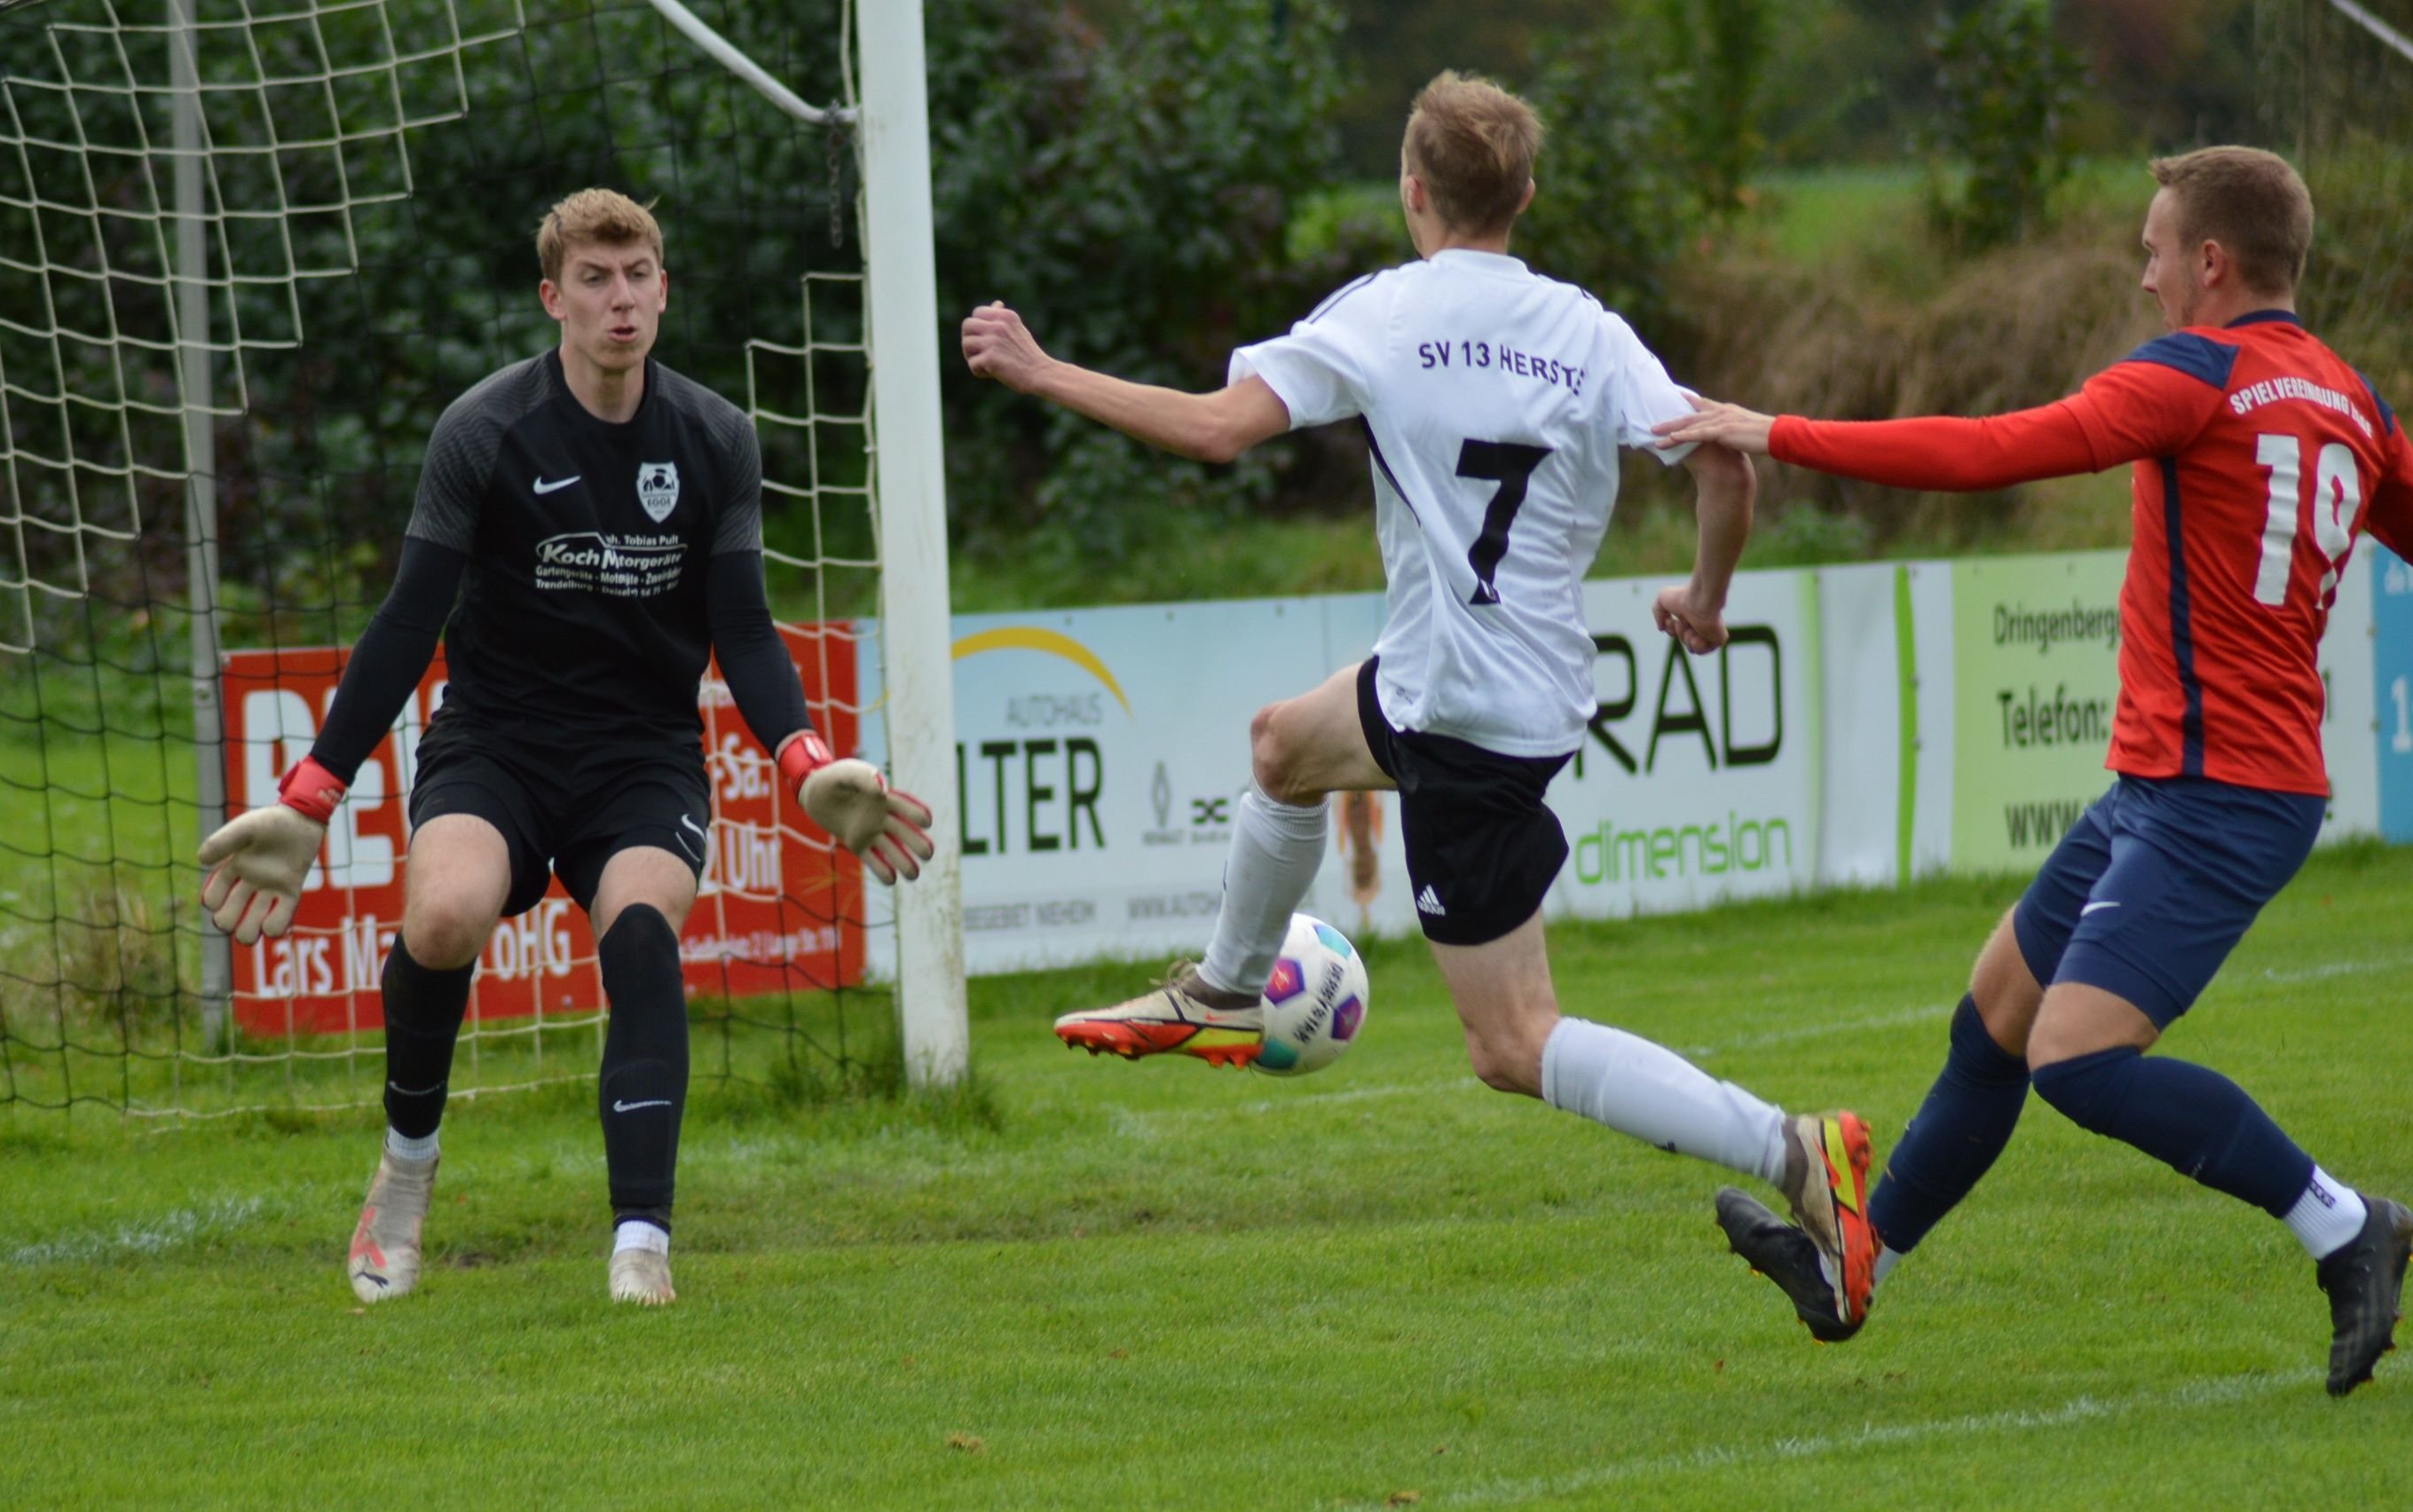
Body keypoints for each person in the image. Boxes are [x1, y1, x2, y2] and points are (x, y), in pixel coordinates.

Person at [960, 73, 1876, 1315]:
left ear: (1411, 190)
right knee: (1283, 746)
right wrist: (1706, 599)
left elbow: (1219, 429)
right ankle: (1227, 987)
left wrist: (1044, 369)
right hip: (1476, 683)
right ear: (1527, 196)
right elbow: (1723, 456)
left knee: (1513, 1046)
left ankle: (1795, 1153)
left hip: (1469, 727)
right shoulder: (1587, 329)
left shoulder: (1382, 317)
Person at [1658, 147, 2412, 1393]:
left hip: (2221, 794)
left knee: (2076, 1057)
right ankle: (1857, 1268)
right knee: (1996, 1018)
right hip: (2176, 785)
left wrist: (1774, 431)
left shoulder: (2200, 374)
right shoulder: (2348, 397)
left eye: (2157, 248)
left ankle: (2345, 1226)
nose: (2145, 270)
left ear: (2213, 262)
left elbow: (1999, 447)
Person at [195, 190, 933, 1308]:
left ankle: (642, 1239)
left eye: (637, 273)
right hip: (494, 740)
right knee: (441, 918)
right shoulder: (483, 430)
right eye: (594, 278)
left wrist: (801, 759)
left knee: (640, 929)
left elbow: (740, 624)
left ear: (663, 287)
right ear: (554, 299)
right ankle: (403, 1175)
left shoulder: (716, 437)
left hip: (641, 753)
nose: (620, 298)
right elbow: (406, 623)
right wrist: (310, 794)